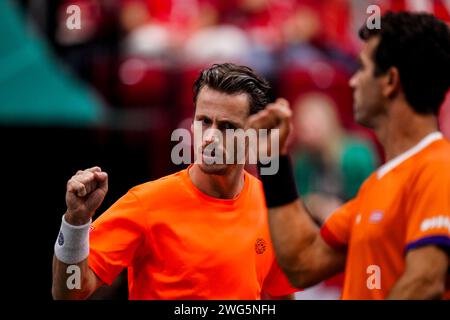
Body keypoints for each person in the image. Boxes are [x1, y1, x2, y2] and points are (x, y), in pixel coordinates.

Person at [52, 63, 296, 300]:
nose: (210, 137)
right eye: (204, 121)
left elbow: (280, 293)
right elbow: (69, 292)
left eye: (227, 126)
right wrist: (76, 222)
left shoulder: (271, 206)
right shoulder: (146, 203)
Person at [249, 11, 450, 299]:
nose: (353, 81)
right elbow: (301, 263)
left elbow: (424, 282)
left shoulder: (441, 168)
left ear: (390, 80)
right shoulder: (376, 187)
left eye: (362, 69)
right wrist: (272, 160)